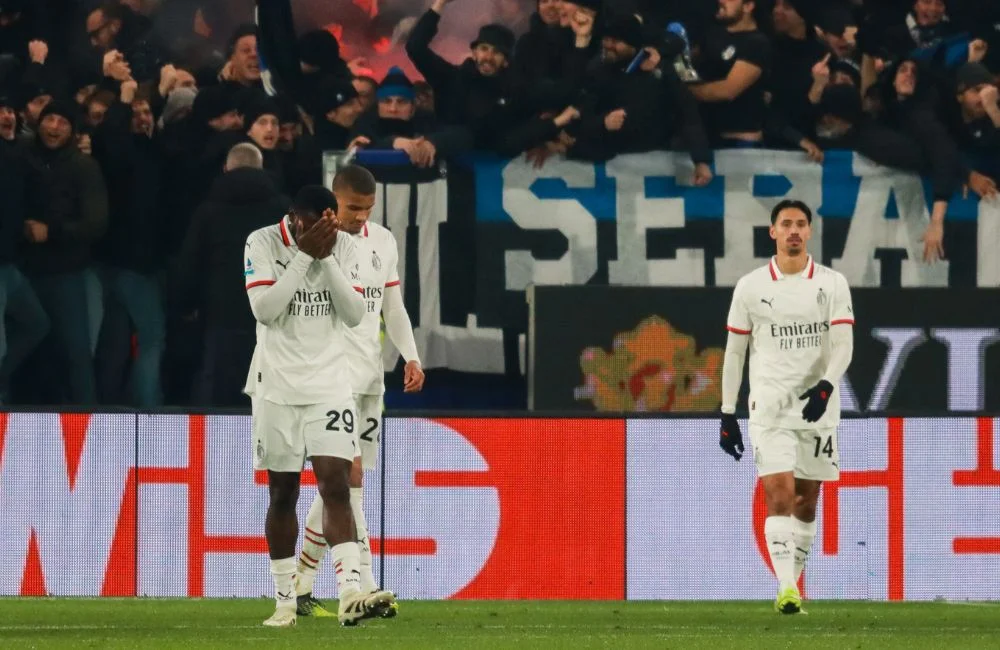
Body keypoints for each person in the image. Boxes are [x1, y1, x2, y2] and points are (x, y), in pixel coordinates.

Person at [243, 184, 395, 627]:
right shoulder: (262, 241)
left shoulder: (342, 246)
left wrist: (325, 256)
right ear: (295, 217)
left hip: (330, 385)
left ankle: (350, 593)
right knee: (283, 492)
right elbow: (266, 310)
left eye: (332, 221)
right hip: (276, 387)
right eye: (317, 223)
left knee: (336, 484)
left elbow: (352, 314)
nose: (328, 229)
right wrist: (305, 257)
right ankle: (285, 600)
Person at [293, 165, 424, 618]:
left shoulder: (382, 241)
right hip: (329, 376)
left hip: (370, 378)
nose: (360, 217)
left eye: (368, 209)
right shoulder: (314, 242)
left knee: (343, 485)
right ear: (334, 199)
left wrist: (410, 355)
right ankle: (363, 585)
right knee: (350, 481)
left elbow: (392, 304)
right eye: (353, 208)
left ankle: (300, 583)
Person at [719, 199, 854, 615]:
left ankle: (793, 579)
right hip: (770, 408)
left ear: (809, 232)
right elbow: (734, 352)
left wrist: (828, 387)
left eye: (800, 224)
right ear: (772, 232)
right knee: (778, 496)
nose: (793, 230)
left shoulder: (832, 283)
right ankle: (786, 588)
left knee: (806, 503)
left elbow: (844, 344)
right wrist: (727, 412)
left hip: (818, 409)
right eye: (785, 224)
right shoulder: (751, 287)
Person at [176, 143, 288, 407]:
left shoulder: (208, 211)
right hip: (269, 310)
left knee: (215, 382)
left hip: (220, 309)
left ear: (226, 169)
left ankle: (215, 443)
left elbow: (190, 263)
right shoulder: (282, 208)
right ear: (262, 169)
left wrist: (185, 304)